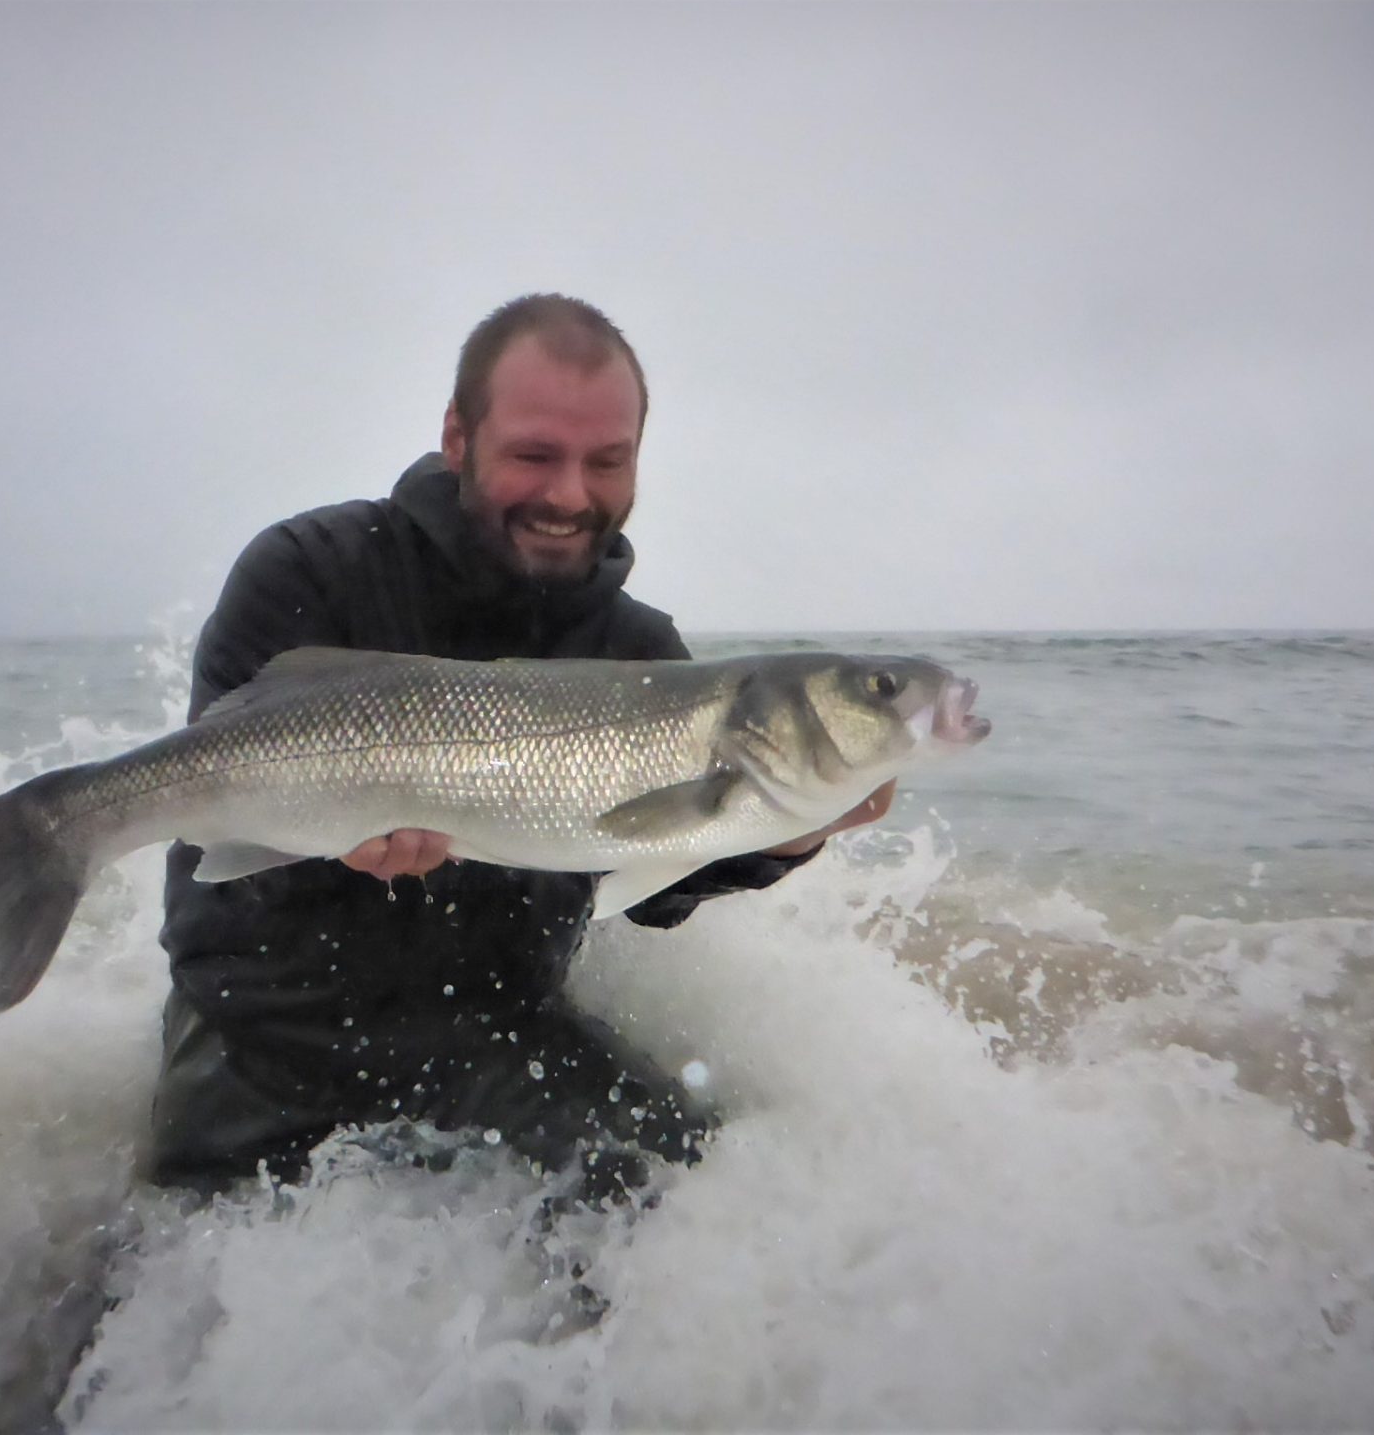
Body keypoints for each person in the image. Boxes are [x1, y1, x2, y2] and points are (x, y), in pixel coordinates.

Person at [148, 294, 894, 1202]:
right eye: (536, 456)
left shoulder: (641, 655)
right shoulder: (312, 570)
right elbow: (206, 823)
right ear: (459, 435)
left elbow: (651, 886)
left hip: (500, 1037)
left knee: (689, 1198)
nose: (570, 496)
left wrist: (778, 836)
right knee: (164, 1300)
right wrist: (325, 841)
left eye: (606, 462)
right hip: (263, 1035)